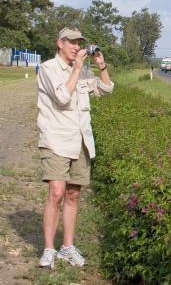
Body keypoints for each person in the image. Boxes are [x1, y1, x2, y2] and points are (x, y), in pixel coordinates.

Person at [37, 27, 114, 268]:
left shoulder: (82, 70)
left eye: (79, 43)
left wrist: (101, 66)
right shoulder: (49, 68)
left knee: (73, 194)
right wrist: (78, 69)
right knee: (56, 192)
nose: (76, 47)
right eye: (71, 43)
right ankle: (49, 249)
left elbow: (106, 89)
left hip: (80, 141)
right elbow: (61, 97)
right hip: (56, 139)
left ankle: (68, 247)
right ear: (59, 43)